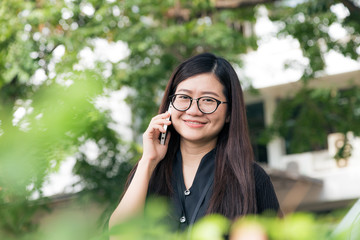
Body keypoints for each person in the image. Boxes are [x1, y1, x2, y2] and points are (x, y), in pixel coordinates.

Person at [109, 53, 281, 233]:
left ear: (229, 112)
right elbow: (119, 234)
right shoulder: (148, 171)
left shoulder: (251, 178)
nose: (193, 110)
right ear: (170, 104)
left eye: (208, 100)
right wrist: (148, 161)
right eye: (184, 97)